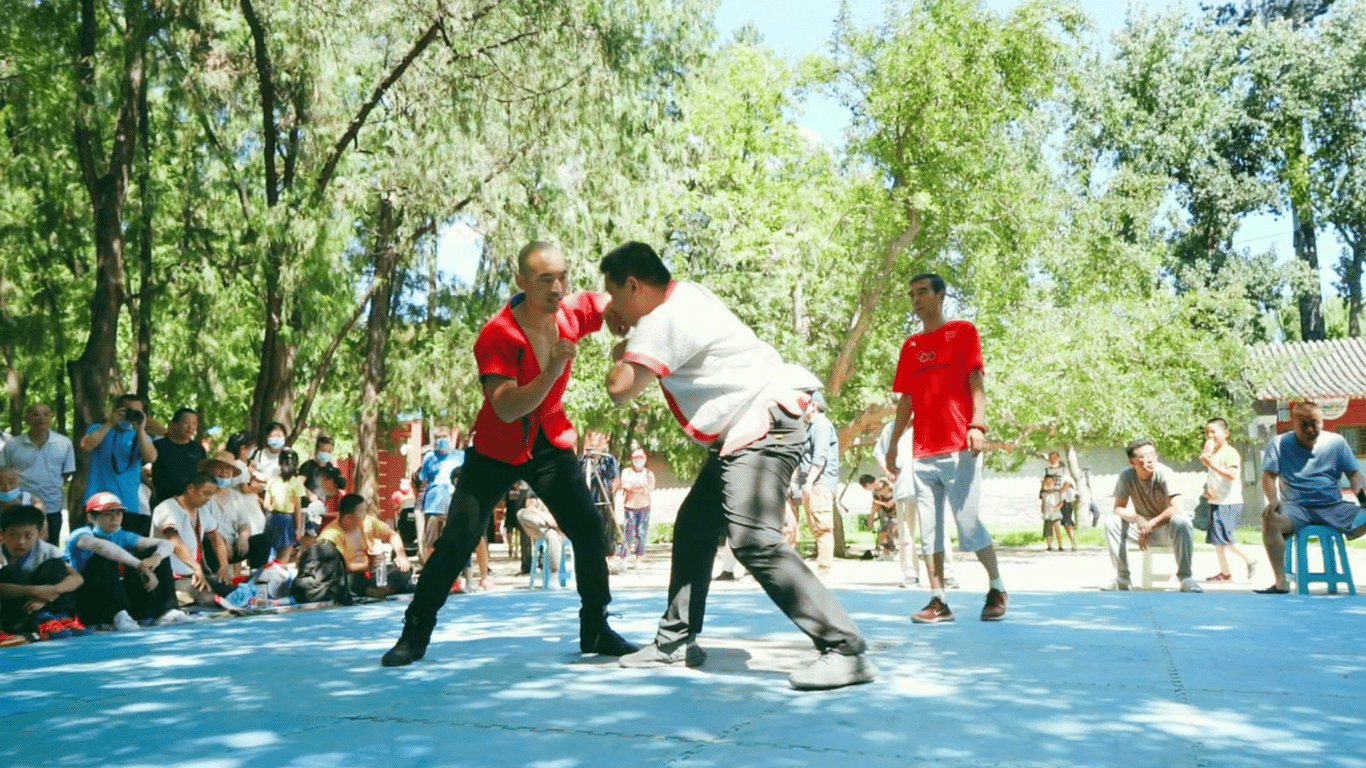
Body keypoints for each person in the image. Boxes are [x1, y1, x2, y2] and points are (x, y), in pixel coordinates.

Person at [600, 240, 874, 691]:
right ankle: (675, 642)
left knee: (754, 540)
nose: (615, 309)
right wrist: (628, 337)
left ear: (633, 285)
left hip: (761, 422)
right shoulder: (689, 295)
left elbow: (619, 387)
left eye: (615, 297)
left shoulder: (660, 319)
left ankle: (845, 648)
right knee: (694, 526)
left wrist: (619, 345)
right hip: (755, 421)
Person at [380, 241, 635, 667]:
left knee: (590, 531)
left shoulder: (571, 312)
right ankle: (415, 630)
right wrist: (552, 368)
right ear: (520, 281)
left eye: (562, 277)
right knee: (458, 539)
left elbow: (622, 298)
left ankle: (596, 628)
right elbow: (506, 405)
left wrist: (629, 327)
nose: (557, 288)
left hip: (549, 442)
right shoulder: (498, 335)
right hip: (498, 445)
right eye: (545, 279)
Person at [885, 273, 1008, 624]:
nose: (915, 298)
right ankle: (938, 600)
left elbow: (976, 382)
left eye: (922, 291)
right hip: (922, 452)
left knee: (967, 524)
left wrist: (977, 425)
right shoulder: (910, 347)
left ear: (940, 295)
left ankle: (997, 587)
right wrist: (894, 445)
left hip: (958, 447)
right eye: (911, 293)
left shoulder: (962, 332)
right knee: (929, 530)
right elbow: (905, 400)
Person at [1256, 401, 1366, 594]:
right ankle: (1281, 581)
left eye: (1315, 423)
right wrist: (1273, 500)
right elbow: (1268, 477)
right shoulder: (1279, 443)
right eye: (1304, 424)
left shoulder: (1336, 442)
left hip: (1334, 506)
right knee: (1269, 517)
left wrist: (1361, 496)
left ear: (1322, 421)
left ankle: (1351, 530)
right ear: (1293, 422)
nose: (1310, 429)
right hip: (1295, 508)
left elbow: (1354, 474)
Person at [66, 492, 183, 629]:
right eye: (107, 514)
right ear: (91, 517)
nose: (114, 518)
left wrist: (155, 559)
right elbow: (103, 547)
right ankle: (117, 616)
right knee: (103, 558)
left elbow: (167, 544)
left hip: (119, 595)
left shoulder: (122, 535)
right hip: (88, 600)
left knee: (154, 551)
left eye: (118, 513)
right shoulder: (80, 535)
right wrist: (140, 565)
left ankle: (166, 611)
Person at [1104, 438, 1202, 593]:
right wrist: (1138, 518)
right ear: (1132, 462)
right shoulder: (1126, 475)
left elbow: (1177, 508)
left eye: (1152, 454)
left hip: (1166, 530)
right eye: (1143, 456)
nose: (1149, 459)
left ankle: (1186, 578)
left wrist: (1151, 524)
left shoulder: (1164, 473)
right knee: (1112, 522)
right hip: (1140, 530)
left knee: (1182, 521)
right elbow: (1118, 508)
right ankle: (1122, 578)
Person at [0, 504, 90, 642]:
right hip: (19, 610)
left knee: (56, 567)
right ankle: (28, 626)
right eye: (13, 535)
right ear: (2, 534)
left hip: (46, 602)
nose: (21, 542)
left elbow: (77, 579)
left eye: (28, 535)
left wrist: (49, 592)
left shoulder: (48, 551)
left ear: (39, 533)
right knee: (9, 572)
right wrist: (34, 590)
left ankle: (61, 619)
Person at [81, 394, 158, 536]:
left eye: (137, 412)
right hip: (97, 503)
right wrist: (111, 422)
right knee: (97, 551)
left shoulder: (141, 437)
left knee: (125, 551)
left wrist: (140, 429)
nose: (131, 414)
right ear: (116, 409)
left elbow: (151, 457)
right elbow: (87, 445)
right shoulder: (98, 428)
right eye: (127, 410)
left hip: (127, 505)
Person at [1, 403, 76, 546]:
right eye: (35, 414)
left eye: (46, 414)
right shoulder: (13, 445)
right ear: (26, 418)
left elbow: (66, 473)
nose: (41, 418)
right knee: (18, 547)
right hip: (20, 506)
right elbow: (3, 472)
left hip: (52, 506)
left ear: (51, 417)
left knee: (49, 548)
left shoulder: (64, 443)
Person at [153, 473, 233, 606]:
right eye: (205, 493)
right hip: (173, 575)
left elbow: (215, 536)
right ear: (190, 488)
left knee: (232, 593)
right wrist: (196, 568)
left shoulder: (202, 510)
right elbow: (174, 541)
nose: (208, 499)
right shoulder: (167, 508)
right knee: (211, 600)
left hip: (194, 574)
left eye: (210, 495)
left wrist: (223, 566)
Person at [317, 493, 413, 597]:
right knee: (346, 581)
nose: (365, 515)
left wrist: (401, 555)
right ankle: (388, 589)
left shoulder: (367, 522)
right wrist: (368, 565)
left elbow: (392, 535)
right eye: (362, 512)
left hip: (372, 574)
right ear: (348, 518)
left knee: (405, 568)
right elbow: (339, 567)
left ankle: (382, 590)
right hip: (351, 577)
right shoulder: (330, 534)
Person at [1200, 417, 1257, 582]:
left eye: (1213, 432)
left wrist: (1211, 464)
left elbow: (1232, 475)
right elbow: (1217, 478)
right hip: (1217, 500)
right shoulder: (1215, 454)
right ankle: (1225, 573)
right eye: (1207, 432)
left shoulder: (1230, 453)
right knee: (1217, 540)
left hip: (1229, 502)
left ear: (1225, 433)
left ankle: (1250, 559)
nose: (1210, 436)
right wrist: (1208, 491)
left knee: (1225, 538)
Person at [799, 391, 839, 576]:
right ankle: (822, 568)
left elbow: (819, 458)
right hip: (813, 483)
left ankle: (824, 570)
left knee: (822, 527)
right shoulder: (810, 426)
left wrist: (808, 483)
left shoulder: (821, 425)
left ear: (813, 405)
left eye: (803, 404)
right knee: (816, 526)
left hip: (819, 483)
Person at [415, 426, 463, 562]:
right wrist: (419, 505)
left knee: (453, 540)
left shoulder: (460, 456)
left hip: (454, 503)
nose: (441, 441)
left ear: (450, 438)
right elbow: (423, 483)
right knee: (431, 542)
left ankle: (453, 576)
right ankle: (430, 570)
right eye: (438, 438)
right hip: (433, 505)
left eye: (444, 437)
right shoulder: (429, 457)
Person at [151, 407, 206, 508]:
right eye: (186, 422)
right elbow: (137, 467)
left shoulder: (198, 449)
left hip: (189, 503)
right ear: (174, 424)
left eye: (194, 424)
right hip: (162, 502)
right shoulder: (158, 446)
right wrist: (150, 486)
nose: (190, 427)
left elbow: (203, 475)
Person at [581, 430, 621, 570]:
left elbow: (616, 479)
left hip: (604, 499)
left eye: (598, 439)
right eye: (591, 439)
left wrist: (611, 487)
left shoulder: (609, 459)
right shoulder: (583, 460)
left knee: (607, 529)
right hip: (588, 499)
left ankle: (610, 558)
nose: (594, 443)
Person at [263, 448, 306, 564]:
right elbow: (297, 507)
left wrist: (274, 509)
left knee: (270, 556)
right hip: (287, 520)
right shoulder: (296, 483)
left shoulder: (272, 481)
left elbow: (266, 504)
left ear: (279, 462)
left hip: (271, 519)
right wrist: (298, 528)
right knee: (284, 557)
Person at [618, 448, 655, 569]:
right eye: (636, 459)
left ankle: (638, 559)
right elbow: (625, 485)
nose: (638, 461)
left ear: (645, 460)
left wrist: (635, 486)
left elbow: (648, 488)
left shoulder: (649, 474)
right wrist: (638, 486)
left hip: (644, 506)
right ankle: (623, 558)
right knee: (627, 532)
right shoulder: (626, 472)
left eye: (641, 458)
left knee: (641, 532)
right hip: (630, 506)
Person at [1043, 451, 1078, 550]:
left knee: (1067, 522)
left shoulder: (1064, 470)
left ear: (1058, 458)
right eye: (1051, 458)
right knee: (1051, 522)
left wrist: (1059, 492)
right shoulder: (1046, 471)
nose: (1053, 459)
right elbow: (1043, 484)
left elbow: (1067, 483)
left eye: (1055, 457)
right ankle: (1052, 545)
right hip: (1051, 501)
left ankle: (1073, 543)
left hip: (1063, 499)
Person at [859, 474, 896, 559]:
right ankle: (887, 554)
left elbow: (901, 491)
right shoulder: (876, 492)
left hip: (900, 511)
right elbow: (875, 504)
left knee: (891, 530)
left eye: (865, 487)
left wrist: (893, 500)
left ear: (867, 484)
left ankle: (892, 553)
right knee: (883, 532)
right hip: (888, 514)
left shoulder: (886, 482)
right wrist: (870, 518)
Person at [299, 435, 338, 500]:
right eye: (323, 451)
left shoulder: (330, 467)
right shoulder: (307, 466)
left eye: (328, 452)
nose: (326, 454)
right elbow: (298, 484)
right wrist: (308, 493)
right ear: (317, 450)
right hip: (308, 507)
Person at [1040, 475, 1064, 551]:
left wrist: (1057, 507)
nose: (1049, 482)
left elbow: (1061, 502)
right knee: (1048, 530)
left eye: (1050, 481)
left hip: (1056, 513)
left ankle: (1060, 545)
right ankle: (1049, 546)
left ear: (1053, 482)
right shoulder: (1043, 492)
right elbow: (1042, 502)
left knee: (1057, 529)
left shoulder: (1057, 491)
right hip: (1047, 514)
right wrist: (1042, 511)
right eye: (1047, 481)